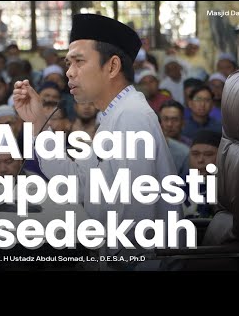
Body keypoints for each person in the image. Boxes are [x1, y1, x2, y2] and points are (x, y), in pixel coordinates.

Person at [13, 14, 182, 268]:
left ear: (112, 67)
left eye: (79, 61)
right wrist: (38, 123)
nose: (69, 72)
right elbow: (78, 184)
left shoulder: (131, 117)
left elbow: (136, 221)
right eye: (68, 63)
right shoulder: (113, 113)